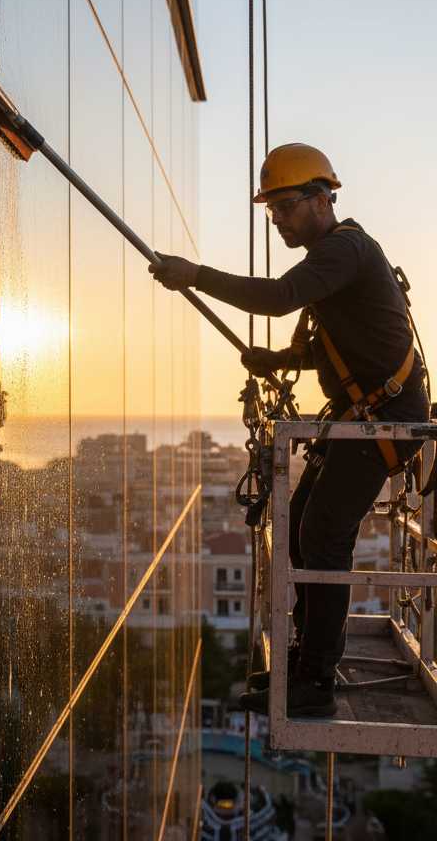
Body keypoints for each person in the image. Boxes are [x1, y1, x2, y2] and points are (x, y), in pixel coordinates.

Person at [150, 143, 429, 717]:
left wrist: (194, 276)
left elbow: (278, 297)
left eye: (282, 207)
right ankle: (307, 666)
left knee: (324, 536)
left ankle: (316, 684)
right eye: (271, 209)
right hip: (368, 417)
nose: (275, 219)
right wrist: (275, 361)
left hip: (384, 420)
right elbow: (325, 345)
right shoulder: (337, 256)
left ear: (320, 199)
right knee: (304, 527)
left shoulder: (343, 250)